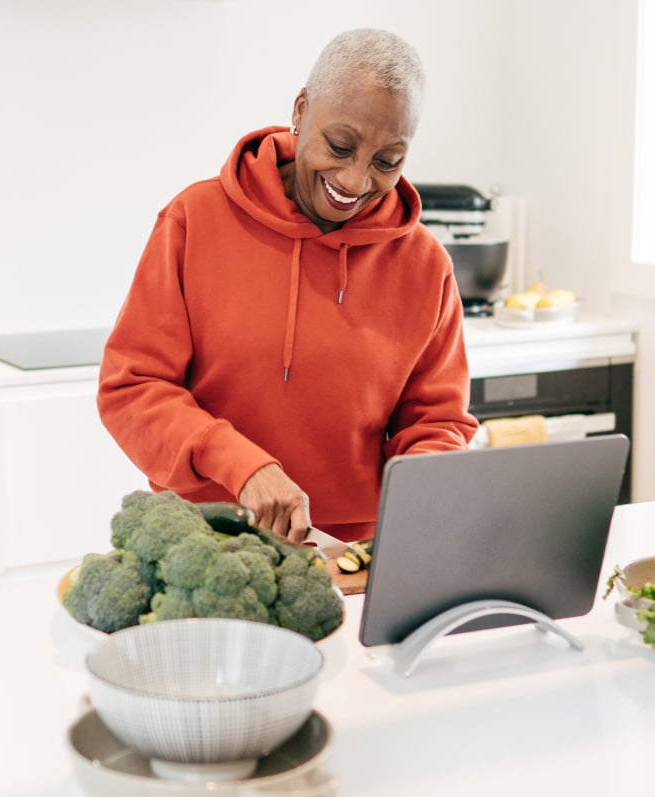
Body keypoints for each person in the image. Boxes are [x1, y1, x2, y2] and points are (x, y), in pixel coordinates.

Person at [97, 27, 479, 544]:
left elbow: (436, 421)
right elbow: (132, 389)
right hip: (208, 535)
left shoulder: (425, 264)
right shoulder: (195, 220)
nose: (354, 180)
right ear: (301, 111)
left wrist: (422, 500)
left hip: (357, 550)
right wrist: (242, 466)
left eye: (387, 161)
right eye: (340, 145)